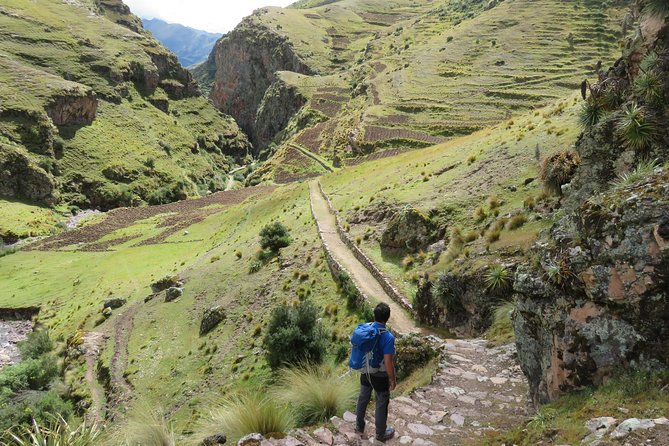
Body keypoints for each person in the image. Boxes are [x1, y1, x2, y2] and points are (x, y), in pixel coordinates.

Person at [355, 302, 396, 442]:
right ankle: (380, 433)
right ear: (387, 318)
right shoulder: (388, 337)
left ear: (374, 315)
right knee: (381, 402)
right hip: (380, 375)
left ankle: (359, 427)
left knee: (363, 399)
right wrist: (392, 379)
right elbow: (388, 362)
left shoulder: (366, 329)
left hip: (365, 371)